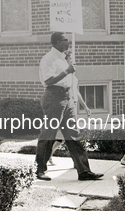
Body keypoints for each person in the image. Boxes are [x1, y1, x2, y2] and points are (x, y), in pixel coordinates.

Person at [35, 32, 103, 181]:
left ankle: (84, 171)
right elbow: (48, 80)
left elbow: (69, 82)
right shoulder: (48, 58)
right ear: (58, 42)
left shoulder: (62, 59)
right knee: (49, 134)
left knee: (74, 135)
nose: (68, 42)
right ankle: (39, 170)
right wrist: (67, 71)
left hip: (67, 98)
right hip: (54, 97)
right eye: (65, 40)